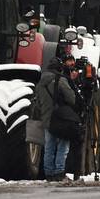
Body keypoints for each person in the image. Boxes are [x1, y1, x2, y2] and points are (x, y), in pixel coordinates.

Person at [35, 51, 80, 182]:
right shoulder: (60, 80)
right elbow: (71, 98)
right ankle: (59, 172)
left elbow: (37, 102)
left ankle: (49, 173)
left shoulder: (40, 83)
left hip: (47, 120)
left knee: (49, 147)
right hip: (60, 119)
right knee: (62, 146)